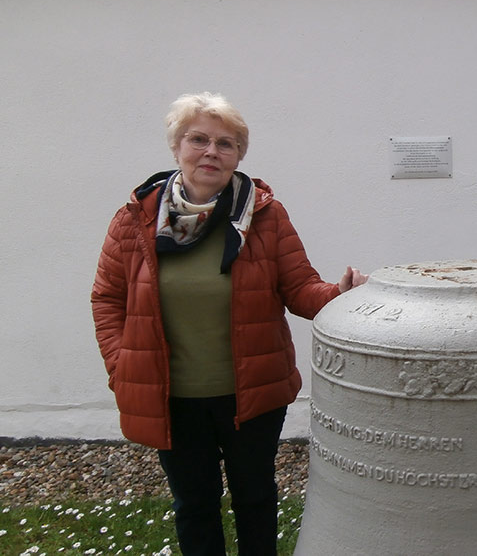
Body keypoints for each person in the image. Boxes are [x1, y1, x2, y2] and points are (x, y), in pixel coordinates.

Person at [91, 92, 367, 556]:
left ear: (239, 154)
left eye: (226, 143)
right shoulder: (135, 219)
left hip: (252, 391)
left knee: (255, 497)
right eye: (198, 139)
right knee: (194, 503)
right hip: (171, 395)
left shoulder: (264, 215)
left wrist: (338, 296)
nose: (211, 152)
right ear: (177, 147)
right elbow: (107, 299)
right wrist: (121, 365)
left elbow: (299, 288)